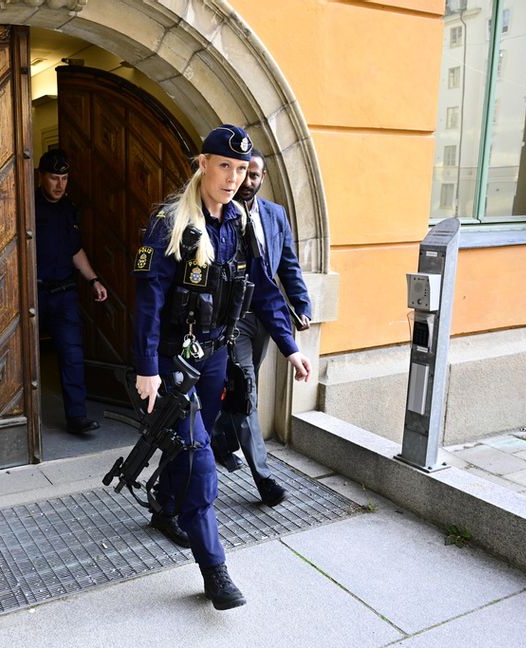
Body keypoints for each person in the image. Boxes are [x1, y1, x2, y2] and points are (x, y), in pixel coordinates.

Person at [132, 125, 311, 610]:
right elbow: (148, 302)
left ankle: (166, 506)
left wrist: (290, 346)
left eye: (240, 168)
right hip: (173, 361)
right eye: (224, 166)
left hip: (213, 358)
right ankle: (216, 572)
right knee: (201, 459)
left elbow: (266, 289)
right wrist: (147, 367)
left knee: (192, 445)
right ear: (202, 164)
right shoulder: (170, 222)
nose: (233, 177)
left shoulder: (239, 220)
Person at [210, 150, 312, 507]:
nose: (246, 182)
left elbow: (284, 266)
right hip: (231, 321)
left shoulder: (275, 215)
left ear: (262, 178)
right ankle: (264, 479)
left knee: (235, 387)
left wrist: (300, 305)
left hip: (263, 319)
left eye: (253, 175)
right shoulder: (221, 217)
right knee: (245, 392)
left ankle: (222, 439)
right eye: (241, 173)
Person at [35, 148, 108, 435]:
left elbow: (75, 249)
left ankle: (77, 418)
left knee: (72, 356)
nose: (59, 185)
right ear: (41, 176)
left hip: (64, 294)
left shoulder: (69, 208)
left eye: (64, 178)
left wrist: (93, 280)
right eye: (54, 178)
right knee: (23, 359)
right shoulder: (27, 206)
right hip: (34, 294)